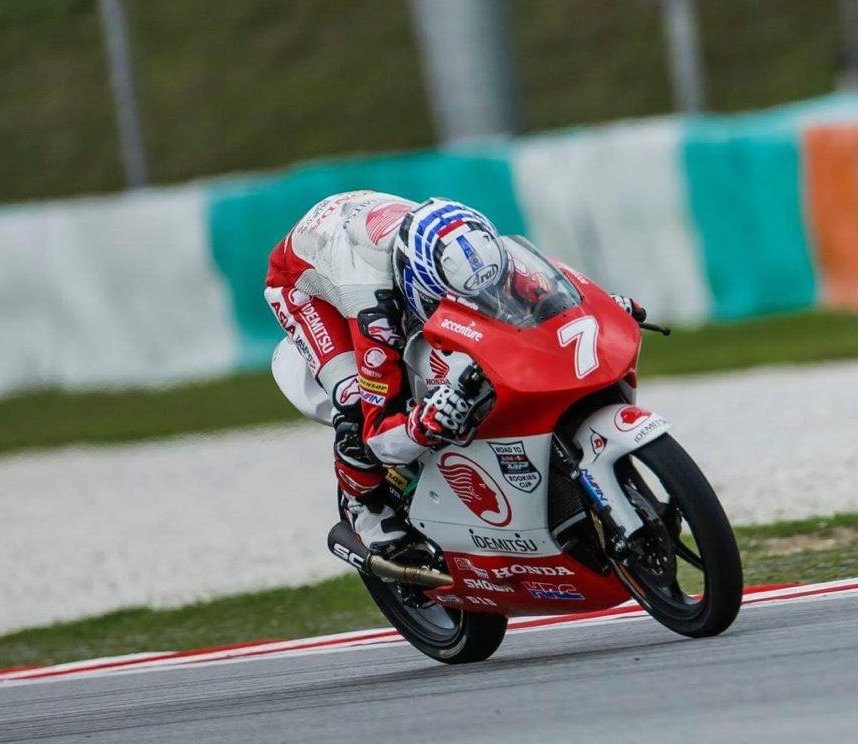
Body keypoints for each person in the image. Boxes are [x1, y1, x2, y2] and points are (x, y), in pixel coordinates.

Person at [265, 191, 645, 553]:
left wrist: (596, 308)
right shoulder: (371, 305)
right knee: (353, 401)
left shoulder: (475, 251)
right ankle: (363, 508)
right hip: (302, 284)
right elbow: (378, 435)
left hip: (360, 225)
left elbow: (536, 289)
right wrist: (425, 422)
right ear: (414, 284)